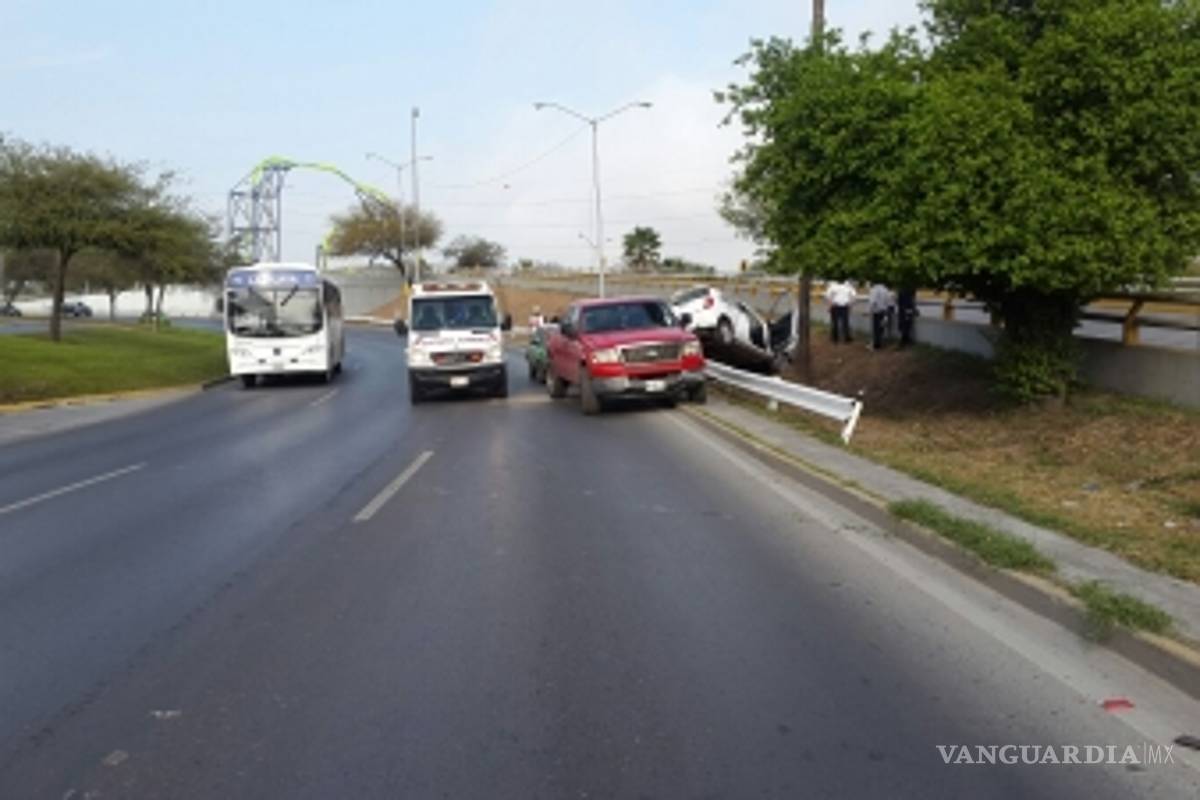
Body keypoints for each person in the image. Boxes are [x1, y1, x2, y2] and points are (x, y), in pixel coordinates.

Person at [825, 278, 856, 344]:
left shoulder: (833, 287)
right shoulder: (848, 287)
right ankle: (846, 338)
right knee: (845, 323)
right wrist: (850, 305)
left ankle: (835, 338)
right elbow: (853, 296)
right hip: (844, 306)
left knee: (835, 322)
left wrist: (830, 306)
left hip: (835, 306)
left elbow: (829, 296)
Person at [868, 282, 891, 351]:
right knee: (881, 328)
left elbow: (873, 301)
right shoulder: (886, 289)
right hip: (883, 311)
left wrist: (870, 310)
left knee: (876, 329)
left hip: (876, 311)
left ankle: (876, 345)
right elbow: (888, 301)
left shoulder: (874, 290)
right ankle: (881, 343)